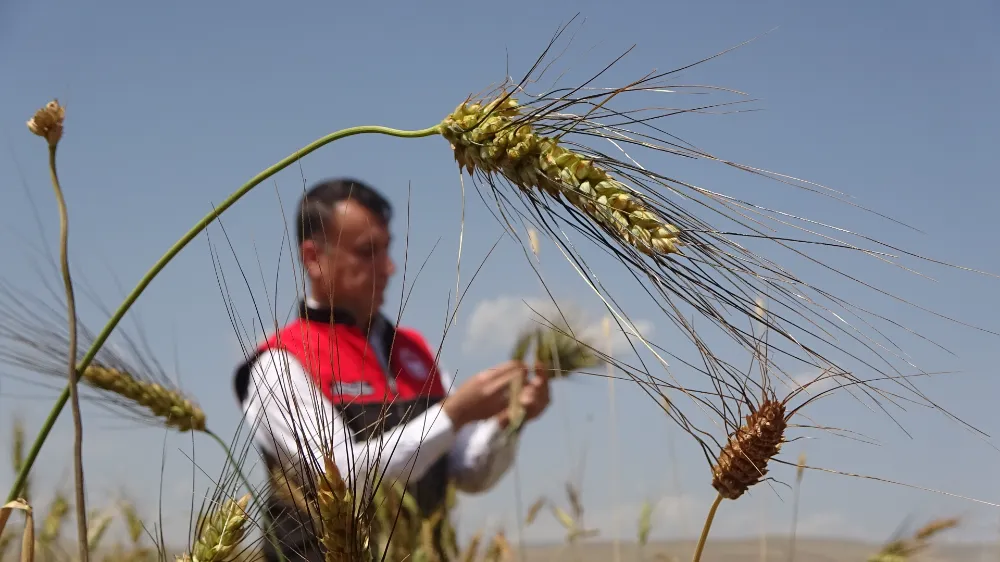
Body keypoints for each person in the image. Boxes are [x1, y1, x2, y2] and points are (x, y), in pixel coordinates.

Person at [232, 177, 551, 561]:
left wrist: (508, 421)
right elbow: (345, 477)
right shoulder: (279, 363)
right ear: (312, 258)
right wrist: (455, 413)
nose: (388, 267)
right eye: (367, 252)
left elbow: (469, 471)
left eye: (386, 249)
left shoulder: (415, 350)